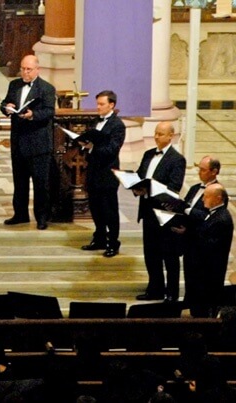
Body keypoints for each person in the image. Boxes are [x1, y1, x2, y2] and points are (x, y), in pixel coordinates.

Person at [0, 55, 57, 230]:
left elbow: (49, 112)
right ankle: (20, 214)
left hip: (38, 143)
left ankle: (41, 217)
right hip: (18, 141)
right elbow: (4, 103)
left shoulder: (47, 88)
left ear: (37, 70)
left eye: (29, 69)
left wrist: (33, 115)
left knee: (40, 184)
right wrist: (7, 108)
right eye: (23, 69)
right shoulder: (14, 85)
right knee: (20, 181)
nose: (25, 72)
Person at [134, 122, 185, 302]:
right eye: (156, 133)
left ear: (171, 136)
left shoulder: (177, 159)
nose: (156, 137)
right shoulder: (148, 154)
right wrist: (135, 186)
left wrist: (151, 188)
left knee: (169, 256)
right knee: (151, 254)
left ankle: (172, 293)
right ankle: (155, 289)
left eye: (161, 134)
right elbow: (139, 176)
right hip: (148, 211)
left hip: (165, 213)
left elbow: (174, 187)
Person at [77, 90, 125, 257]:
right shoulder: (96, 121)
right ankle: (99, 239)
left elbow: (112, 149)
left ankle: (113, 243)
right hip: (93, 171)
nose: (98, 107)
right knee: (95, 208)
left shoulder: (117, 125)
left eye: (101, 104)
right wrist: (84, 144)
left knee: (109, 210)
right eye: (97, 104)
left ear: (111, 105)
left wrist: (93, 147)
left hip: (107, 172)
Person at [174, 156, 220, 311]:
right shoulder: (194, 188)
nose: (199, 172)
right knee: (189, 277)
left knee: (199, 280)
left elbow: (208, 216)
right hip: (188, 241)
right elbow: (185, 208)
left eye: (203, 169)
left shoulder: (218, 192)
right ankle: (189, 306)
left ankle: (198, 312)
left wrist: (187, 210)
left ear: (214, 172)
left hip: (202, 244)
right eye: (199, 169)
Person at [186, 184, 233, 317]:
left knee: (205, 308)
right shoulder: (215, 214)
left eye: (206, 196)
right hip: (204, 271)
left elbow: (210, 246)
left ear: (218, 198)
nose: (202, 199)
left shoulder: (221, 219)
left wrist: (192, 237)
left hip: (209, 273)